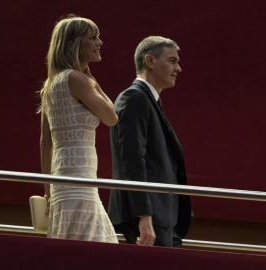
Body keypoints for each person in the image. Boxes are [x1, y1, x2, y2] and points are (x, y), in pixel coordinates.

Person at [39, 15, 118, 243]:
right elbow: (112, 118)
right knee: (99, 248)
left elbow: (45, 143)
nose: (99, 43)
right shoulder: (78, 79)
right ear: (73, 44)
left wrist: (48, 191)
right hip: (80, 182)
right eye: (93, 38)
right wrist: (92, 80)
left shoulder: (50, 84)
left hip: (62, 185)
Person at [108, 36, 191, 247]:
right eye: (172, 61)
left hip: (161, 217)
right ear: (150, 61)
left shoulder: (148, 99)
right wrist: (144, 216)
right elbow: (133, 161)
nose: (178, 68)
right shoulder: (134, 98)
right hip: (147, 219)